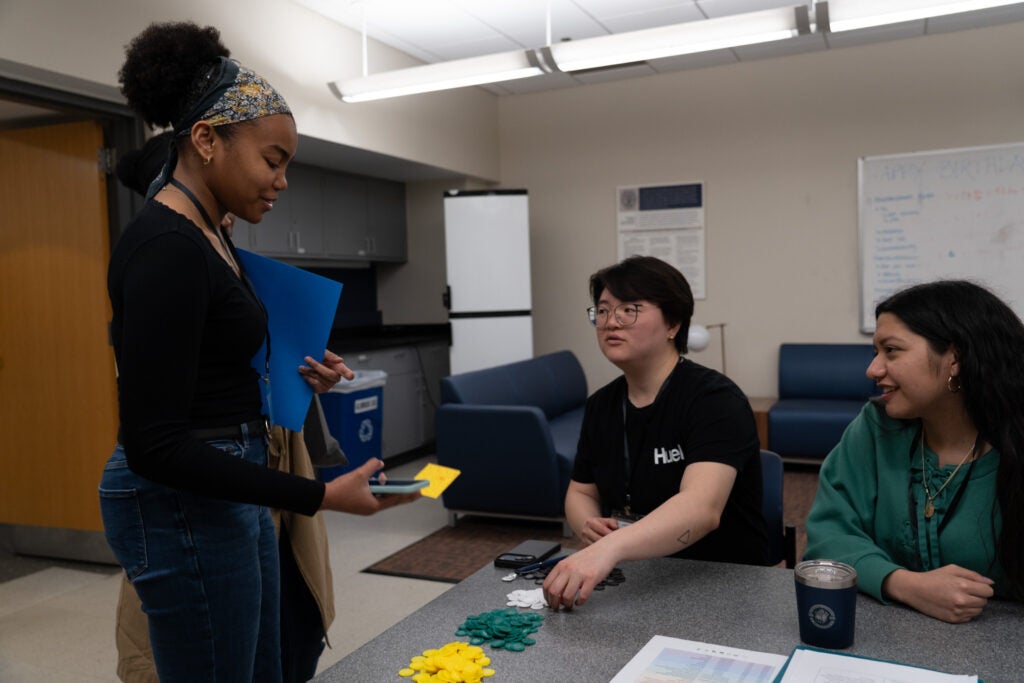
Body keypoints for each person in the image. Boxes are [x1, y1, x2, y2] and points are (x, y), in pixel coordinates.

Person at [99, 22, 418, 681]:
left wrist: (297, 372)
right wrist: (319, 494)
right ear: (208, 140)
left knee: (268, 664)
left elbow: (213, 361)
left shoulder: (212, 234)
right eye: (272, 161)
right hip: (187, 497)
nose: (282, 181)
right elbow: (156, 442)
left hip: (228, 479)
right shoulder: (166, 248)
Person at [110, 135, 344, 683]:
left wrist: (309, 373)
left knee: (290, 637)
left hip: (269, 468)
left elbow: (261, 368)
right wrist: (326, 495)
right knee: (198, 649)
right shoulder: (166, 263)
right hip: (205, 482)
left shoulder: (236, 270)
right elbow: (161, 434)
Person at [542, 256, 768, 611]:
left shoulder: (714, 399)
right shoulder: (602, 404)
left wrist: (610, 547)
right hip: (638, 578)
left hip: (722, 583)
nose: (610, 323)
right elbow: (581, 490)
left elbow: (702, 508)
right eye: (602, 311)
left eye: (629, 310)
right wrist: (588, 524)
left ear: (673, 324)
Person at [805, 280, 1024, 623]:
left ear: (955, 358)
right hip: (886, 634)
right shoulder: (876, 428)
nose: (873, 370)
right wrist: (903, 584)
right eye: (875, 353)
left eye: (891, 351)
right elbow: (828, 538)